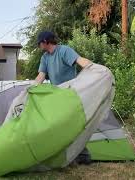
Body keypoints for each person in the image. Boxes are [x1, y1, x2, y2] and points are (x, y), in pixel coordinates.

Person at [34, 31, 92, 165]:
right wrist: (31, 89)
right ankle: (68, 153)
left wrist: (93, 67)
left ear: (45, 41)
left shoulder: (64, 51)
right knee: (59, 125)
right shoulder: (45, 57)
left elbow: (80, 61)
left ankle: (83, 155)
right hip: (57, 96)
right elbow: (41, 76)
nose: (39, 46)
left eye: (39, 43)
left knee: (72, 125)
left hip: (71, 95)